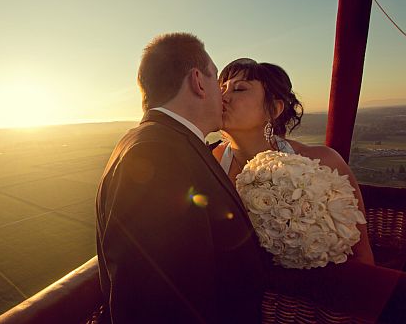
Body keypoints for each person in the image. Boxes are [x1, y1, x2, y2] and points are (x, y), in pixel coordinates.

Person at [95, 34, 266, 323]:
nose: (222, 96)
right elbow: (157, 301)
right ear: (198, 81)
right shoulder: (158, 155)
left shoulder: (167, 141)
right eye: (216, 82)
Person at [212, 58, 375, 265]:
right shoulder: (210, 162)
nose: (223, 97)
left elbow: (361, 252)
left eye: (239, 89)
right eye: (221, 89)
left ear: (273, 109)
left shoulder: (322, 163)